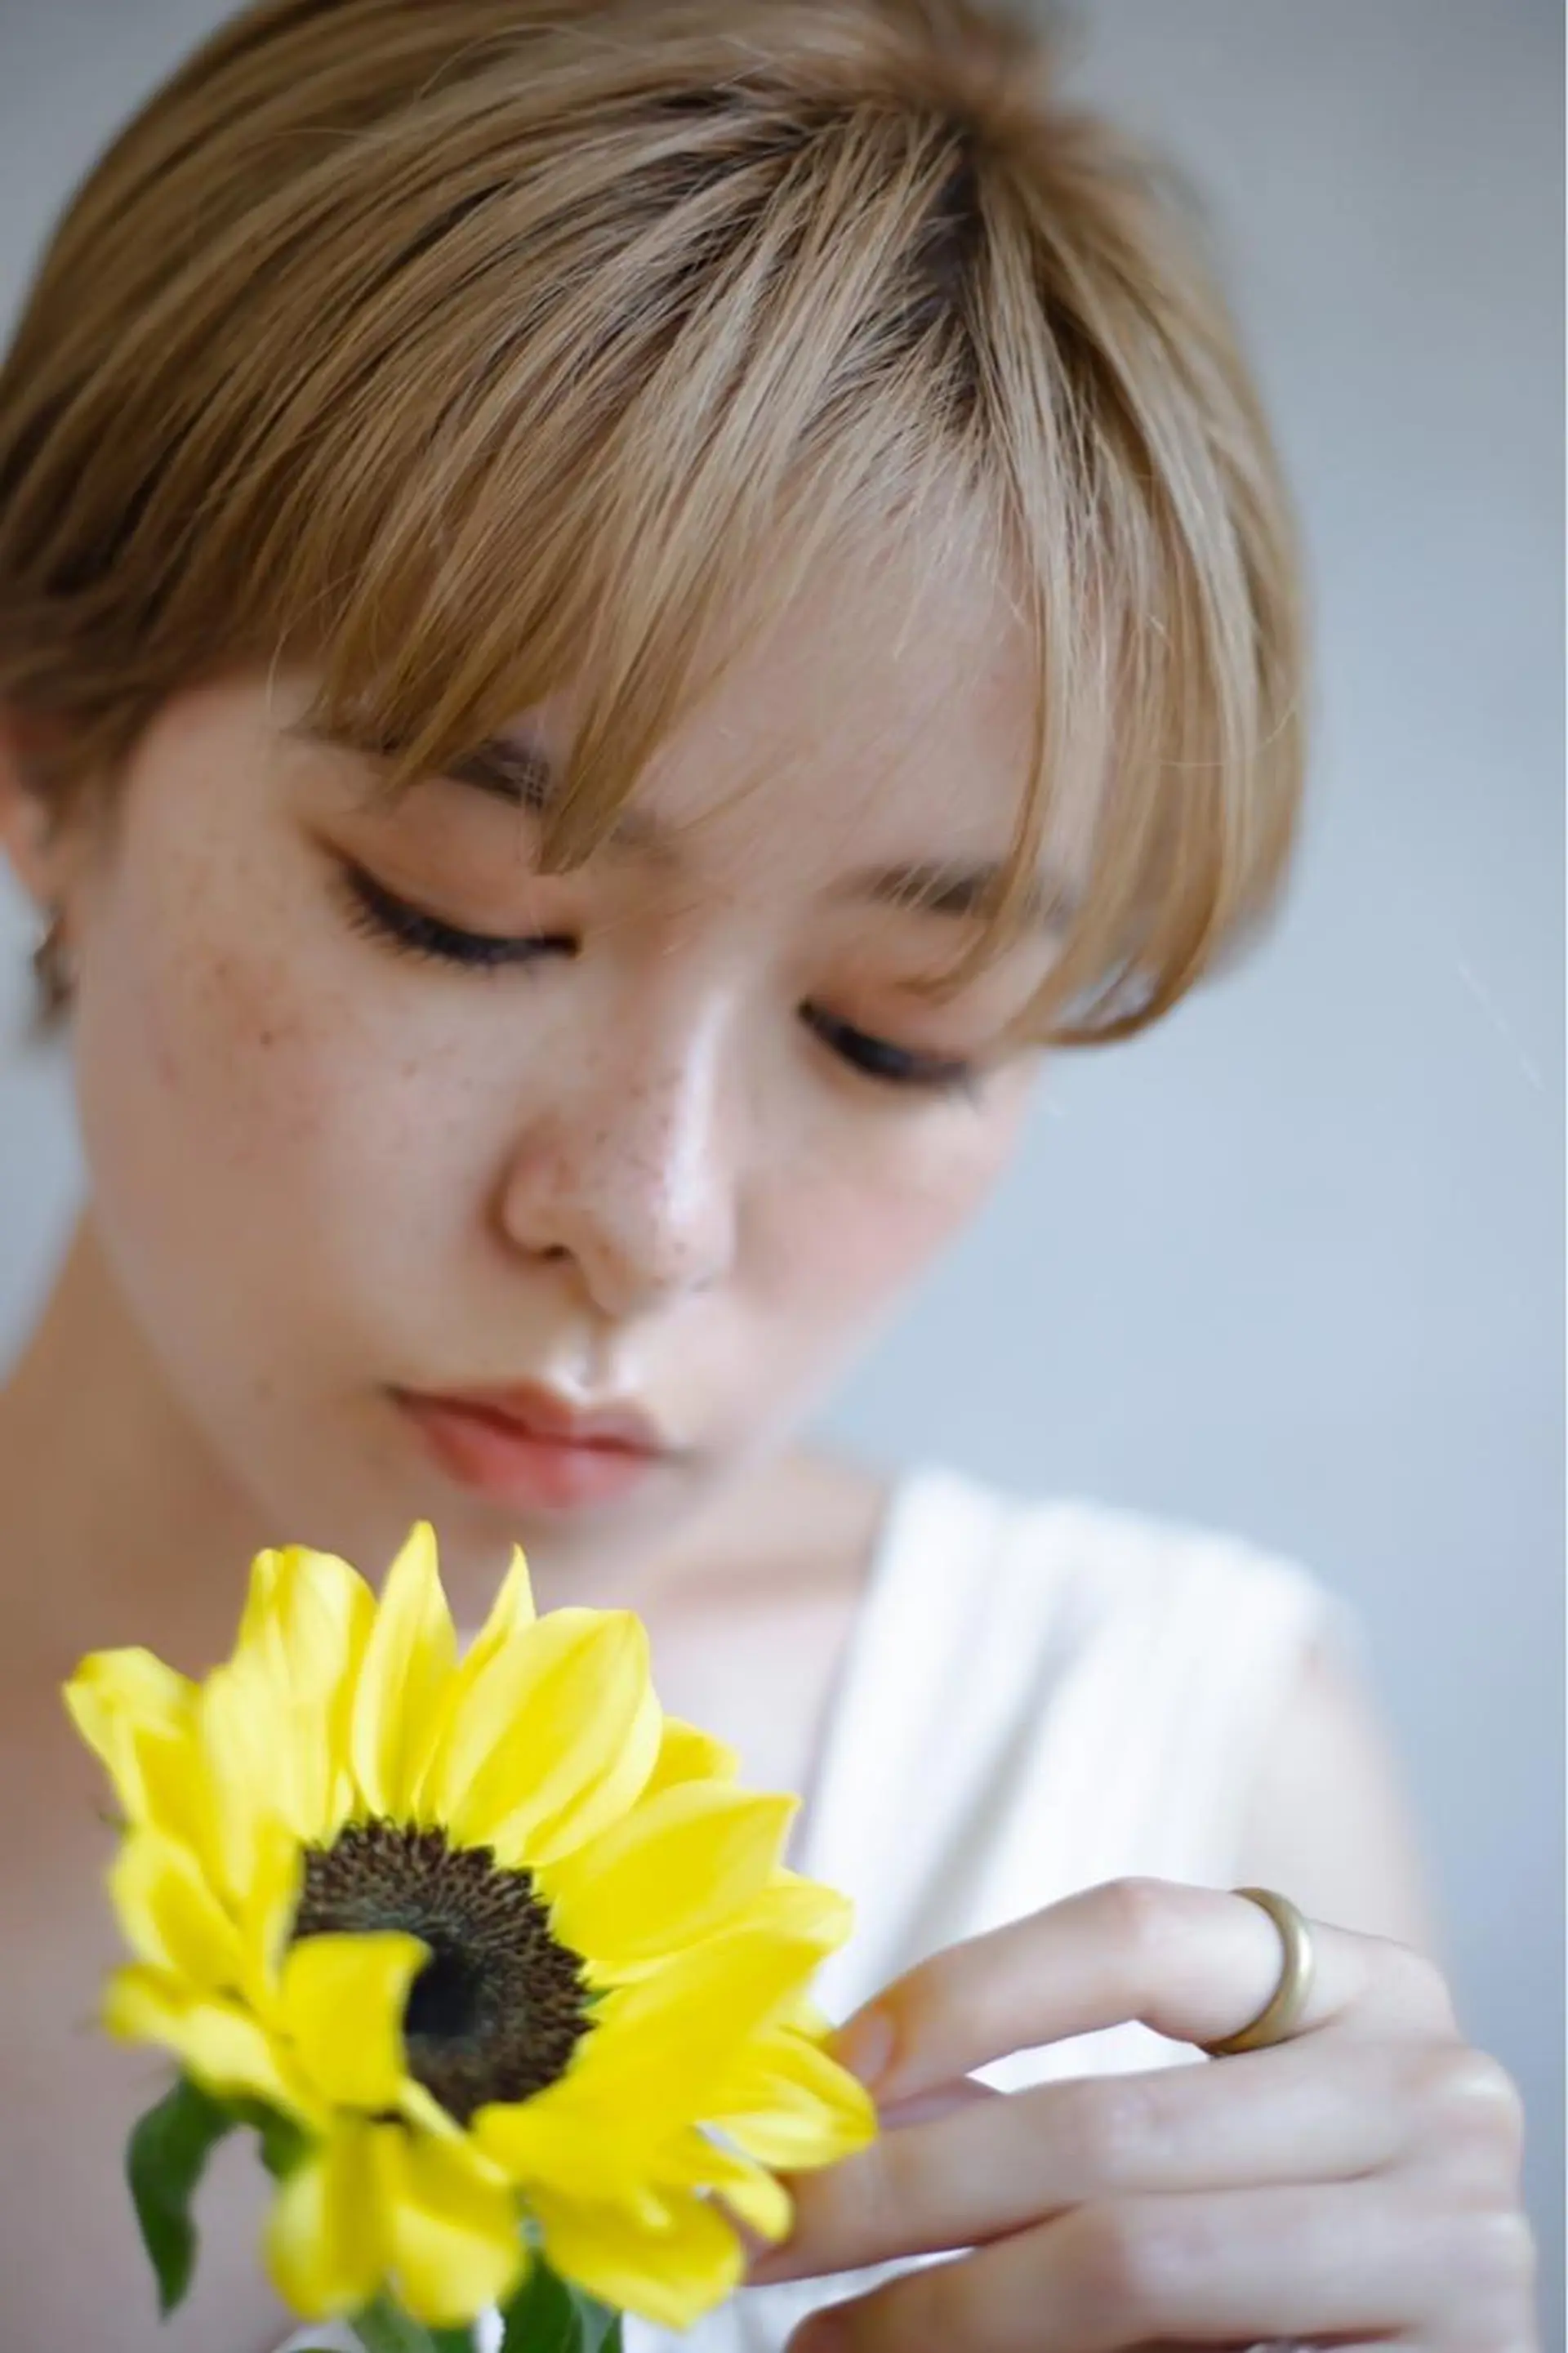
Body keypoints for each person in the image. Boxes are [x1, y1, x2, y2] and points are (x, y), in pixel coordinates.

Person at [0, 0, 1537, 2347]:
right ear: (48, 772)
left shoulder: (1161, 1802)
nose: (651, 1217)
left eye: (894, 1037)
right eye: (461, 914)